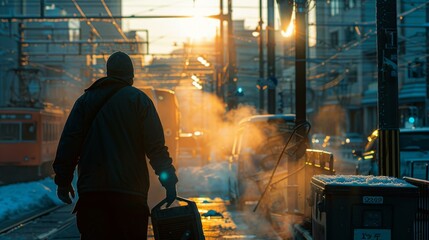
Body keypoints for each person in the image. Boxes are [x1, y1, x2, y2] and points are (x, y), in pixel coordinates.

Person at [53, 51, 178, 239]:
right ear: (131, 76)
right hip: (130, 196)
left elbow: (69, 143)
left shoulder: (84, 102)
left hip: (92, 195)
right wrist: (168, 181)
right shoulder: (140, 101)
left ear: (108, 73)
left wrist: (63, 181)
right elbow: (156, 148)